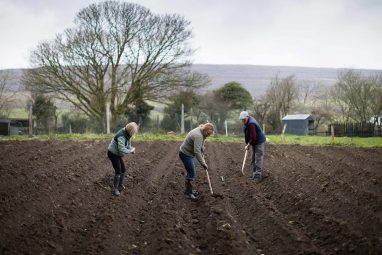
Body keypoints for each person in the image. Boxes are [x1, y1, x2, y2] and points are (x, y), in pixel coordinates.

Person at [179, 123, 215, 200]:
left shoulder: (201, 130)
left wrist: (202, 148)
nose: (208, 136)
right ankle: (188, 193)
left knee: (192, 168)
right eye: (208, 134)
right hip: (185, 154)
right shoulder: (198, 135)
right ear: (205, 131)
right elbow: (197, 151)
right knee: (192, 173)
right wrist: (203, 163)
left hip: (189, 154)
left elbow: (201, 144)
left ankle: (189, 190)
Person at [107, 122, 138, 196]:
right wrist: (130, 151)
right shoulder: (121, 136)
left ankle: (120, 185)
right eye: (133, 132)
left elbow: (128, 146)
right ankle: (115, 189)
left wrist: (131, 148)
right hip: (113, 154)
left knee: (123, 170)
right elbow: (121, 149)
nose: (134, 133)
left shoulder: (127, 134)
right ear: (130, 131)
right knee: (118, 171)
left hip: (117, 154)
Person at [239, 111, 266, 181]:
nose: (243, 121)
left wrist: (248, 144)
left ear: (247, 117)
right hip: (254, 142)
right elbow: (248, 134)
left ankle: (258, 176)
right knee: (253, 158)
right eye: (242, 120)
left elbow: (253, 137)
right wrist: (248, 143)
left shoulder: (251, 123)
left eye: (244, 119)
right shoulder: (247, 122)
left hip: (259, 142)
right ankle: (254, 175)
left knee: (258, 158)